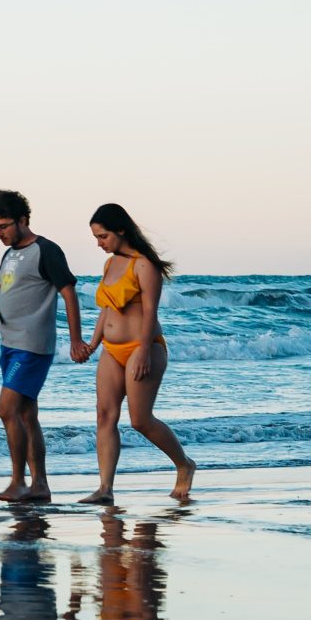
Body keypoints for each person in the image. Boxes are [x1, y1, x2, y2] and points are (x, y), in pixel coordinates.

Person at [71, 201, 197, 504]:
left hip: (145, 349)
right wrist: (92, 343)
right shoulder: (110, 264)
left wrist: (142, 351)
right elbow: (107, 310)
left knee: (140, 420)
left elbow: (151, 312)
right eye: (96, 238)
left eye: (103, 237)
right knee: (104, 416)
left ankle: (184, 464)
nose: (99, 244)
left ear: (121, 230)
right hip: (113, 351)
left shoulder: (143, 264)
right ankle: (105, 489)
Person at [0, 189, 81, 503]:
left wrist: (76, 339)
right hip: (9, 343)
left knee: (6, 409)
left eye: (4, 226)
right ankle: (39, 485)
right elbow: (9, 287)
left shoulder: (46, 250)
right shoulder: (10, 253)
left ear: (23, 220)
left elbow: (69, 292)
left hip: (32, 345)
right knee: (25, 415)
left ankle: (18, 481)